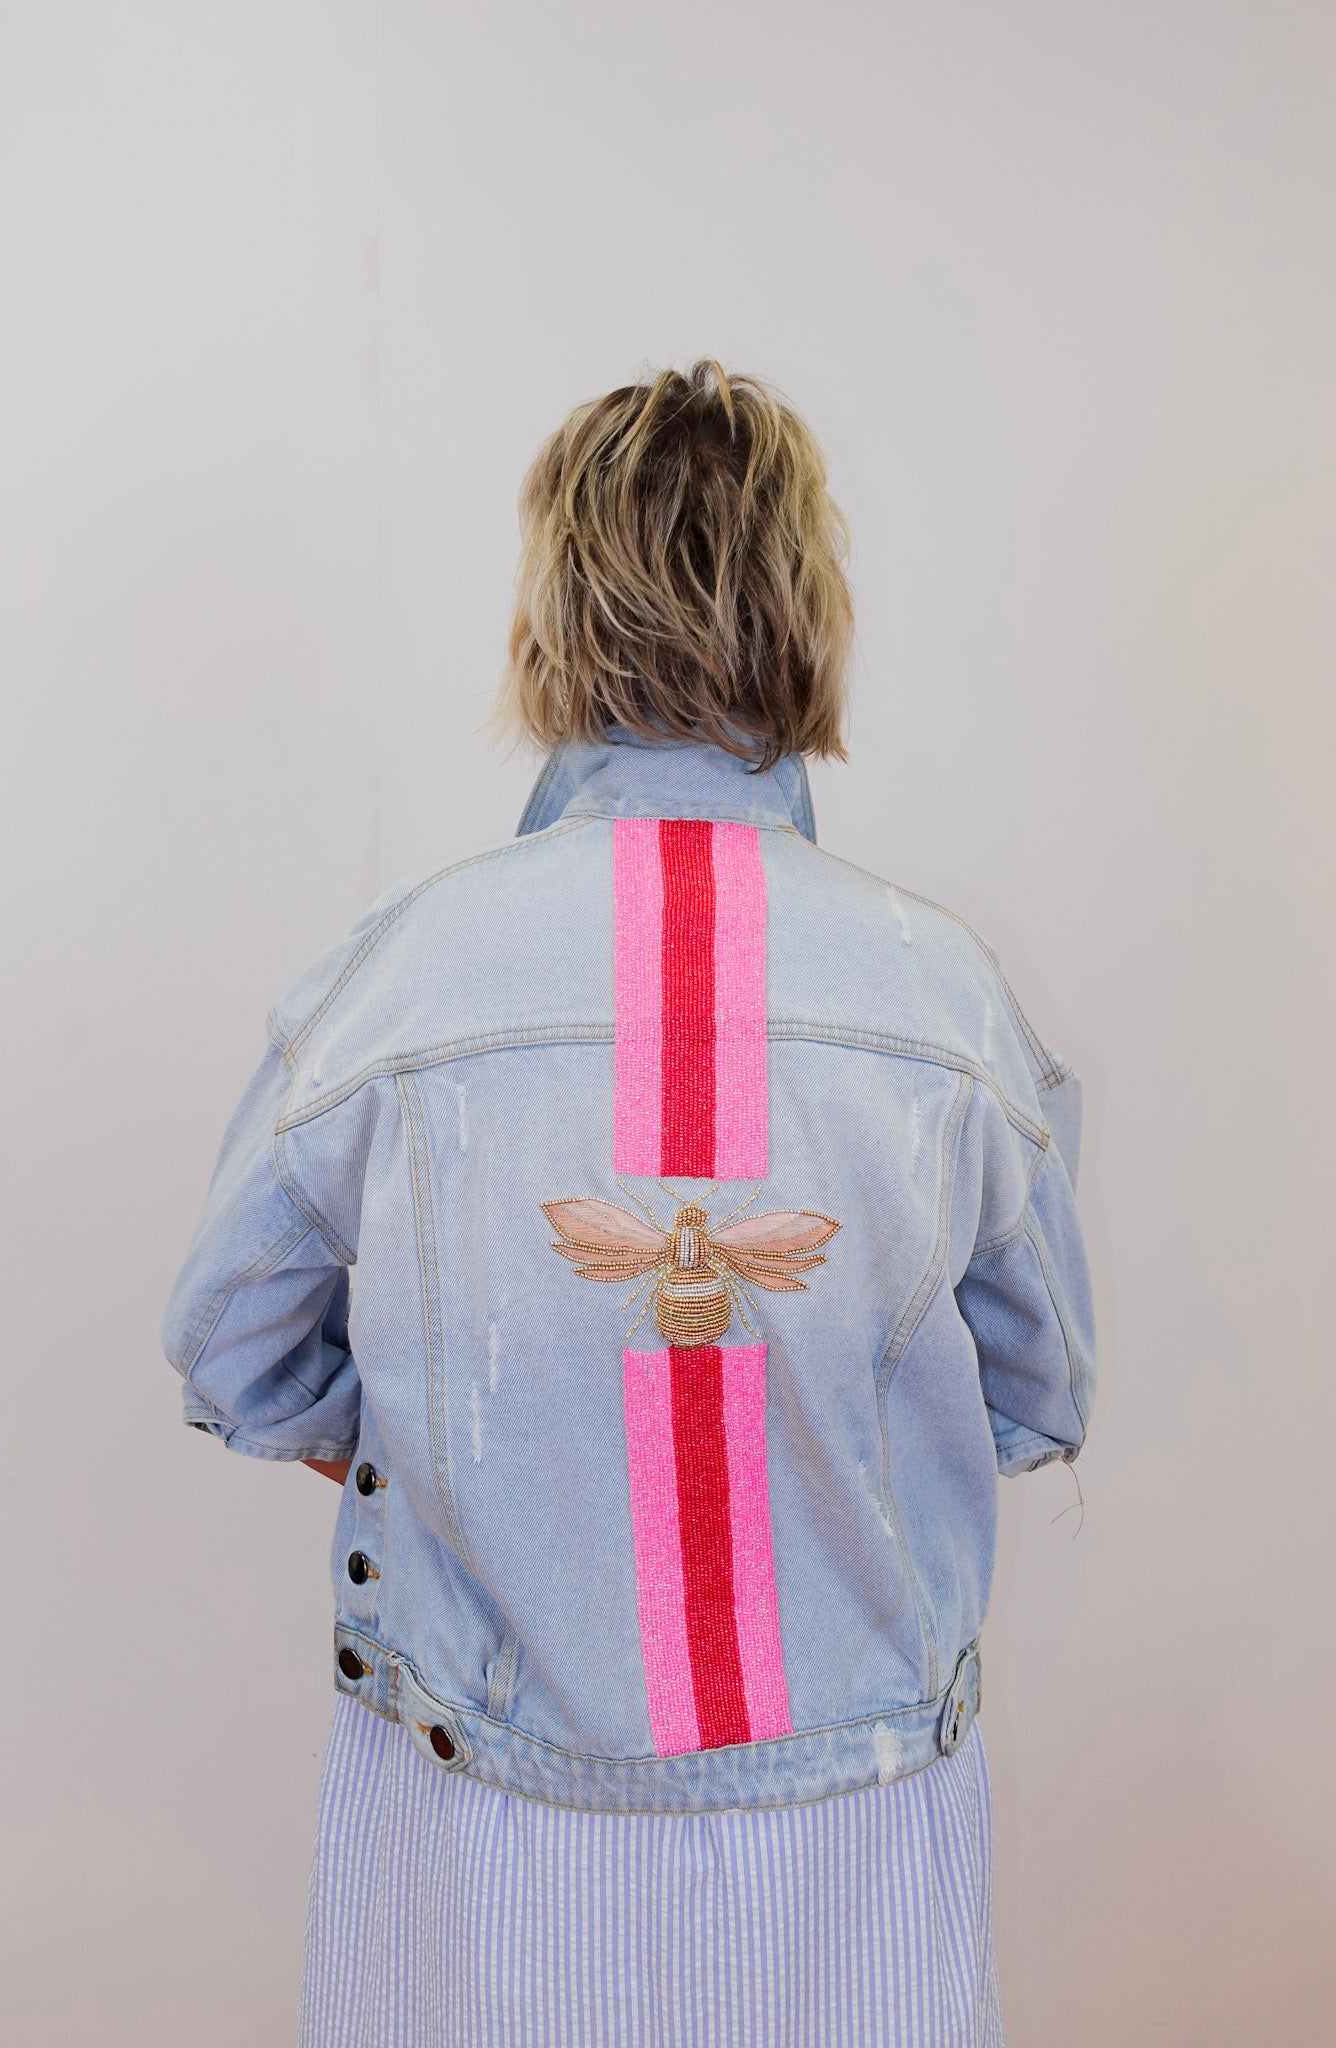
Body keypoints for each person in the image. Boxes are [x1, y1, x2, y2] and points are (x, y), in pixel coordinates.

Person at [162, 361, 1094, 2047]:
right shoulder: (945, 998)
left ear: (552, 626)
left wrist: (462, 1423)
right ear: (812, 616)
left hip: (478, 1817)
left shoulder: (399, 978)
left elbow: (232, 1348)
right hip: (853, 1835)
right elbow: (1041, 1395)